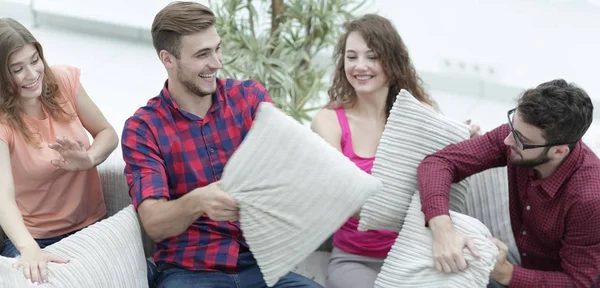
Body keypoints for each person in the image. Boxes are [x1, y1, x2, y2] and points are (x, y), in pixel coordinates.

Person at [120, 2, 323, 288]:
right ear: (168, 59)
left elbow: (287, 170)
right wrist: (198, 200)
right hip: (189, 271)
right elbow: (154, 223)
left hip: (260, 265)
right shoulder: (144, 129)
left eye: (217, 48)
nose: (217, 62)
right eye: (203, 54)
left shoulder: (250, 99)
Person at [311, 14, 480, 288]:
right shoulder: (328, 121)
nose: (360, 66)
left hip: (416, 252)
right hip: (355, 258)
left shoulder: (421, 114)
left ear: (393, 60)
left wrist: (465, 140)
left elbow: (443, 175)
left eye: (372, 56)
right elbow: (339, 190)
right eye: (351, 57)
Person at [417, 79, 600, 287]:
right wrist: (443, 229)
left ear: (558, 151)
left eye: (521, 139)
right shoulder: (518, 138)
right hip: (523, 259)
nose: (507, 141)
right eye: (512, 126)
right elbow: (439, 162)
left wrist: (505, 273)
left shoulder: (590, 198)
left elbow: (577, 282)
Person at [0, 18, 119, 284]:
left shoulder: (64, 80)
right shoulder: (2, 123)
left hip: (92, 225)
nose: (32, 75)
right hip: (35, 237)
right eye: (17, 69)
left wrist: (88, 159)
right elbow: (3, 197)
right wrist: (29, 248)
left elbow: (107, 133)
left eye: (34, 60)